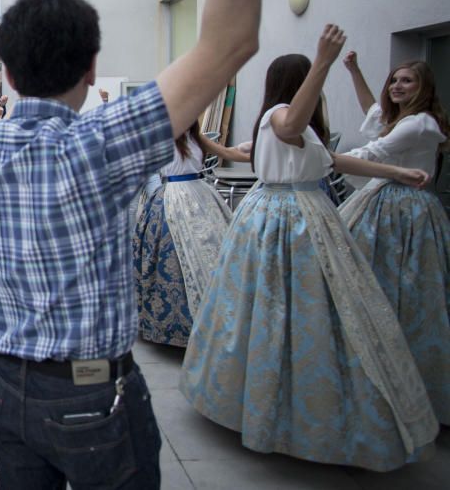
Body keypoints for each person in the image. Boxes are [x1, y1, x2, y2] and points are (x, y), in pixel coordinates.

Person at [0, 0, 262, 488]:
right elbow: (230, 40)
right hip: (90, 395)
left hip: (1, 386)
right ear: (92, 70)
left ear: (6, 74)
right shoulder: (96, 147)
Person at [180, 27, 438, 470]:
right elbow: (291, 124)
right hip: (287, 219)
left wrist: (395, 174)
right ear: (300, 83)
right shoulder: (281, 114)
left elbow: (338, 160)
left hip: (297, 214)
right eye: (312, 81)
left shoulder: (299, 127)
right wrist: (323, 62)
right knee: (279, 305)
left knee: (304, 307)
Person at [339, 53, 450, 423]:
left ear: (424, 88)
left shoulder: (420, 123)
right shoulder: (402, 119)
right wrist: (356, 71)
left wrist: (316, 156)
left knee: (400, 286)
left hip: (405, 213)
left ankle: (402, 375)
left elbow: (375, 151)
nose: (397, 86)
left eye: (407, 81)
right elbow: (374, 113)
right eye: (394, 81)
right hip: (385, 201)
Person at [133, 122, 249, 346]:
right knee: (175, 259)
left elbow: (226, 152)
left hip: (201, 195)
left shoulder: (196, 136)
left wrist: (259, 151)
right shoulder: (162, 132)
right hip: (172, 199)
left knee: (215, 254)